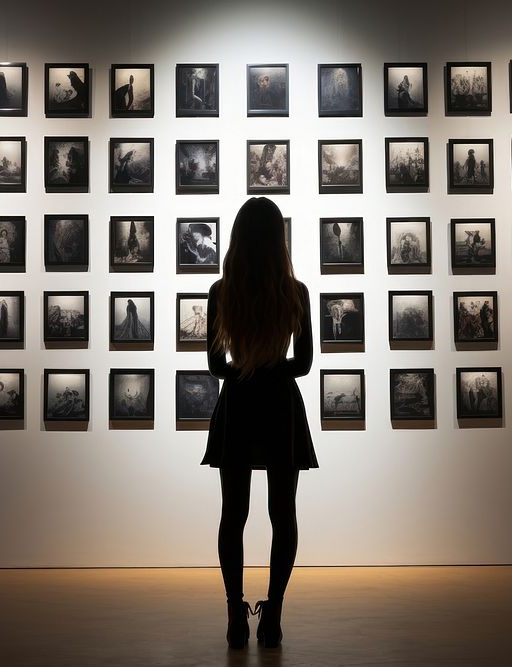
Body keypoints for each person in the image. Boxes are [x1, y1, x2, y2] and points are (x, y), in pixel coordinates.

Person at [201, 197, 316, 650]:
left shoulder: (221, 291)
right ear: (278, 240)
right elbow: (303, 365)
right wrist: (271, 368)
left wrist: (247, 369)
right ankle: (273, 616)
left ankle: (235, 614)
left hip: (240, 404)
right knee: (282, 514)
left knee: (233, 514)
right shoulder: (296, 291)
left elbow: (214, 364)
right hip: (280, 406)